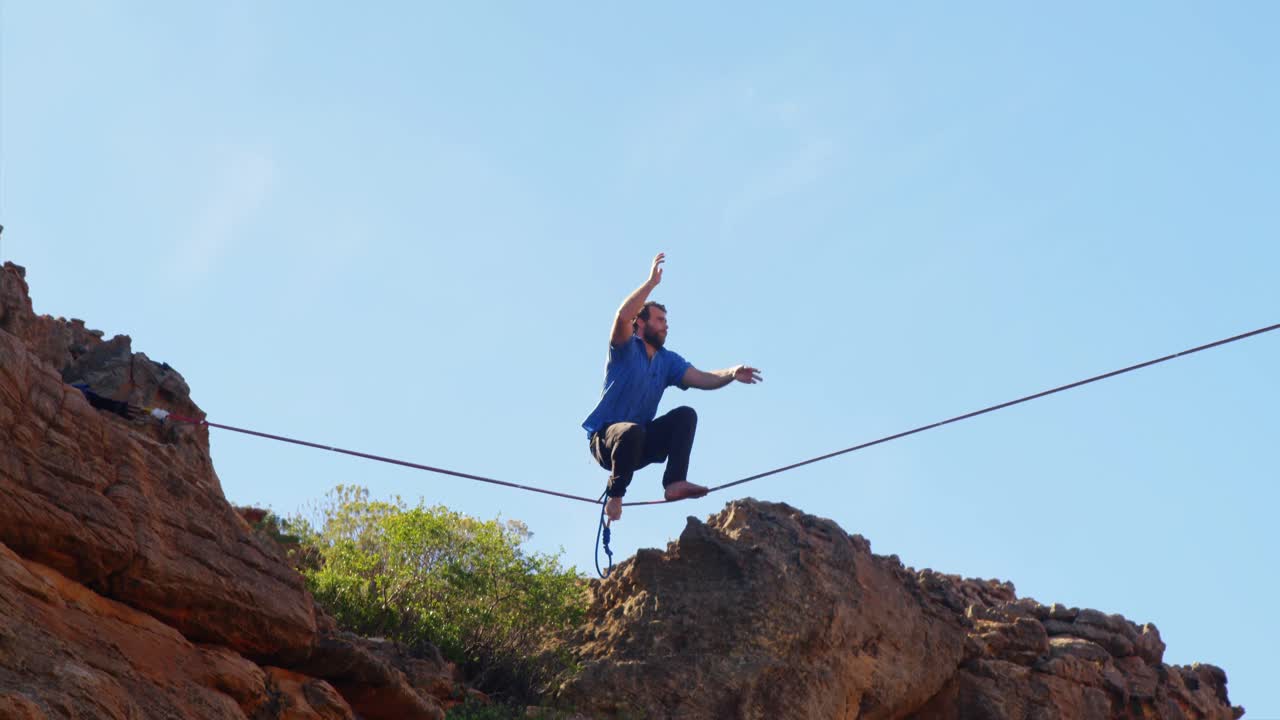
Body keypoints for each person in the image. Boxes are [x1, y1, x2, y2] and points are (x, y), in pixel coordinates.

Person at [583, 253, 762, 522]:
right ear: (640, 323)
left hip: (639, 444)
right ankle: (615, 497)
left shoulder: (667, 361)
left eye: (666, 321)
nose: (665, 326)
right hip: (608, 442)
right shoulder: (624, 347)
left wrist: (731, 373)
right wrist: (651, 283)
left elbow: (704, 379)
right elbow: (622, 316)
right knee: (629, 432)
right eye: (659, 320)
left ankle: (674, 482)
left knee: (685, 415)